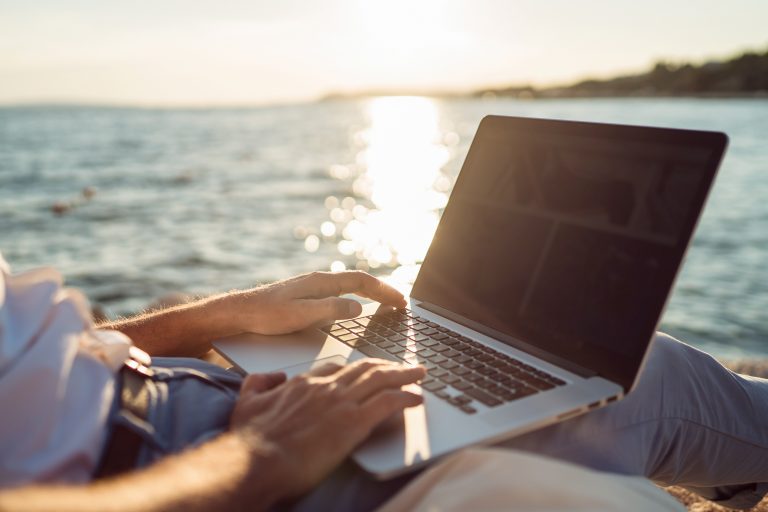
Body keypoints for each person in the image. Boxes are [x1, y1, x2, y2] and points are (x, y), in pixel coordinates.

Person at [1, 251, 767, 511]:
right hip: (187, 479)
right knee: (600, 482)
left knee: (632, 368)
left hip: (181, 413)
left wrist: (225, 315)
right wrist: (255, 462)